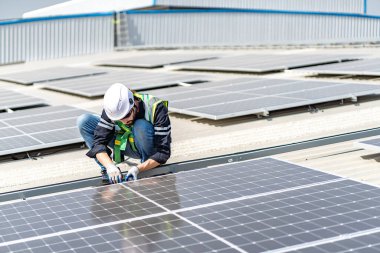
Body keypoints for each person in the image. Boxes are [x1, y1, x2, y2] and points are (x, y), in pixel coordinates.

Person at [77, 83, 171, 184]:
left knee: (141, 125)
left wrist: (138, 169)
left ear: (134, 103)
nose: (123, 121)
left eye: (126, 115)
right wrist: (109, 166)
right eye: (118, 119)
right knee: (84, 121)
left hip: (146, 146)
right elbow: (98, 144)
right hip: (123, 145)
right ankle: (110, 172)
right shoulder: (113, 110)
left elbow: (163, 152)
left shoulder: (155, 107)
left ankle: (150, 167)